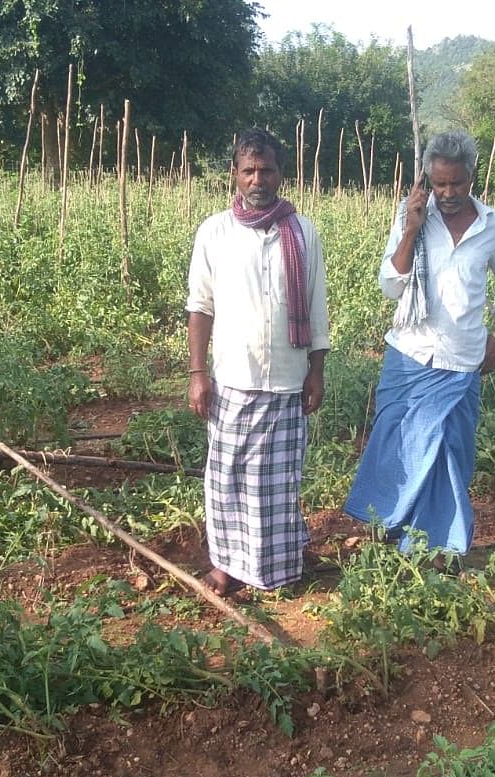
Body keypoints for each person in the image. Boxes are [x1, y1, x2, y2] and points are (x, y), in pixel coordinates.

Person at [344, 130, 495, 557]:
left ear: (471, 177)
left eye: (456, 183)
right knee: (398, 446)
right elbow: (390, 284)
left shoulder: (491, 225)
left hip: (462, 360)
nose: (447, 192)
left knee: (449, 454)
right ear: (428, 179)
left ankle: (440, 546)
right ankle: (389, 532)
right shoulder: (415, 216)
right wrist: (410, 230)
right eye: (439, 183)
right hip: (409, 355)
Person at [185, 128, 331, 596]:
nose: (257, 179)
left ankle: (278, 569)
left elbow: (317, 304)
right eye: (248, 170)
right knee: (226, 476)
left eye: (266, 169)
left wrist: (317, 370)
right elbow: (200, 308)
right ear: (235, 174)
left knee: (279, 482)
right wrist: (197, 374)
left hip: (288, 379)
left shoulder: (302, 231)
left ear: (280, 173)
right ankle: (226, 566)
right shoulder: (215, 232)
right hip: (233, 378)